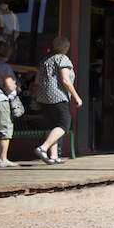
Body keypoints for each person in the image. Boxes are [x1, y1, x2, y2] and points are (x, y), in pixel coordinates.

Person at [32, 36, 82, 164]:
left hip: (43, 97)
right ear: (66, 48)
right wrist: (76, 96)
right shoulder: (62, 59)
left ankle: (53, 156)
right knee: (64, 124)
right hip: (58, 96)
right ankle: (43, 148)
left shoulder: (44, 60)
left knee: (52, 125)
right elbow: (65, 80)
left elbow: (36, 82)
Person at [0, 41, 19, 167]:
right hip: (1, 99)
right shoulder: (4, 67)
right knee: (5, 128)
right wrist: (15, 85)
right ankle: (3, 159)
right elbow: (9, 85)